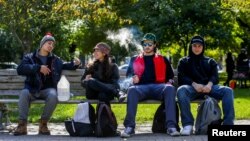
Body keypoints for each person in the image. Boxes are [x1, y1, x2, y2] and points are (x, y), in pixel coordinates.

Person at [14, 33, 81, 136]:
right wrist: (38, 68)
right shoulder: (29, 57)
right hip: (32, 89)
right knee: (23, 93)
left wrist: (75, 64)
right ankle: (22, 125)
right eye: (49, 43)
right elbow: (20, 69)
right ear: (42, 44)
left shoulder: (55, 59)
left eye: (52, 44)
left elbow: (65, 65)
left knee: (53, 95)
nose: (51, 46)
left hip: (47, 90)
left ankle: (43, 124)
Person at [121, 33, 180, 138]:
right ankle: (129, 127)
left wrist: (169, 82)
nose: (147, 46)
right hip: (141, 88)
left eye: (150, 44)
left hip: (159, 87)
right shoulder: (135, 59)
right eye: (145, 44)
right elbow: (129, 76)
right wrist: (133, 79)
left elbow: (170, 76)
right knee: (132, 90)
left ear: (154, 45)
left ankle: (171, 127)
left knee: (170, 89)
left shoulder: (163, 59)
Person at [177, 35, 235, 136]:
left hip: (209, 88)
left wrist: (209, 85)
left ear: (203, 47)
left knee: (228, 90)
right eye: (194, 45)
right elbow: (182, 78)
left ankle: (228, 125)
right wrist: (194, 84)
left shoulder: (210, 61)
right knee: (181, 90)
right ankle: (187, 125)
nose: (197, 48)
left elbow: (215, 77)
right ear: (191, 46)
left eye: (199, 46)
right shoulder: (184, 61)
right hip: (192, 89)